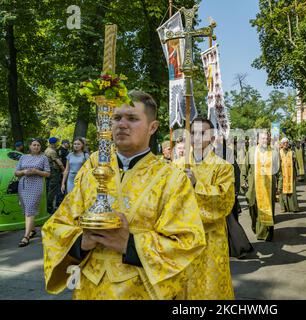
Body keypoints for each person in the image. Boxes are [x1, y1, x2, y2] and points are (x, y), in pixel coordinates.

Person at [42, 90, 206, 300]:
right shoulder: (93, 170)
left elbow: (189, 242)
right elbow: (57, 226)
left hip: (141, 290)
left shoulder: (172, 179)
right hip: (88, 288)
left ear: (152, 127)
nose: (122, 124)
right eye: (117, 118)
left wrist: (129, 244)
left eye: (132, 118)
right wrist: (81, 242)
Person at [173, 118, 235, 299]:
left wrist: (196, 185)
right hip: (182, 238)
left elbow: (224, 201)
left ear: (213, 136)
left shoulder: (223, 167)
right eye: (193, 133)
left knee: (210, 288)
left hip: (211, 239)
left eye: (202, 133)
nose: (197, 138)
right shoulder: (177, 165)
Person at [241, 131, 279, 241]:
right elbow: (245, 167)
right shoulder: (252, 151)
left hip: (268, 187)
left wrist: (279, 185)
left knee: (268, 209)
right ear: (258, 140)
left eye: (266, 138)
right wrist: (243, 179)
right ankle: (256, 227)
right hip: (254, 187)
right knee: (253, 209)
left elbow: (278, 170)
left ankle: (267, 234)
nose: (265, 140)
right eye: (262, 138)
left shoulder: (274, 152)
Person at [14, 139, 50, 247]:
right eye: (34, 145)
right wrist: (24, 172)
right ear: (30, 146)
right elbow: (16, 172)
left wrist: (36, 171)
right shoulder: (23, 157)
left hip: (36, 185)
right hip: (23, 185)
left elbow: (48, 174)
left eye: (38, 145)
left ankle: (26, 236)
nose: (36, 147)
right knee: (26, 209)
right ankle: (33, 229)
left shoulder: (43, 158)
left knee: (30, 209)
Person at [278, 137, 300, 213]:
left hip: (291, 174)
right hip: (282, 175)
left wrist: (296, 174)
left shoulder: (292, 152)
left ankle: (293, 207)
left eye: (287, 143)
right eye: (284, 143)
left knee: (292, 191)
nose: (285, 144)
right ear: (281, 144)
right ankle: (283, 208)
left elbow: (295, 164)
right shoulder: (279, 152)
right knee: (282, 191)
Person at [44, 137, 65, 214]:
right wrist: (64, 169)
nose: (57, 144)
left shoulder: (46, 150)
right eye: (56, 142)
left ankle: (47, 207)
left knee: (48, 189)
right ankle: (50, 208)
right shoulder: (52, 151)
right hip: (54, 173)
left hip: (49, 172)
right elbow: (58, 162)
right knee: (52, 191)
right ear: (54, 143)